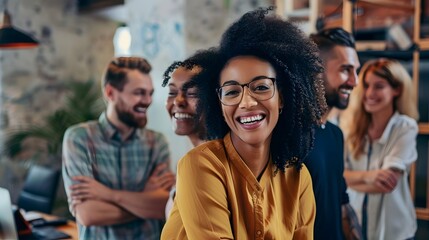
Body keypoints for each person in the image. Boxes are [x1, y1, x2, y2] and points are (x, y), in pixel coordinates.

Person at [161, 8, 327, 239]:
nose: (246, 102)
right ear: (218, 103)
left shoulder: (298, 178)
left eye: (261, 87)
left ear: (282, 98)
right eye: (231, 92)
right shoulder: (200, 165)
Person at [62, 57, 176, 240]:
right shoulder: (79, 138)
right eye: (139, 93)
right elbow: (88, 214)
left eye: (150, 93)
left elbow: (164, 206)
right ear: (110, 93)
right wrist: (144, 202)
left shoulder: (157, 142)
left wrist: (108, 195)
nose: (147, 101)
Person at [341, 58, 419, 240]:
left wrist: (350, 179)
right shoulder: (349, 127)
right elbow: (337, 178)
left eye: (379, 86)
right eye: (366, 85)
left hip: (396, 232)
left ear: (397, 90)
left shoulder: (405, 127)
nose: (369, 93)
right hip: (356, 228)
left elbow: (385, 184)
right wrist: (370, 177)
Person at [308, 28, 362, 240]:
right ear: (315, 71)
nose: (355, 81)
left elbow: (341, 204)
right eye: (345, 70)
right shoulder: (289, 136)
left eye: (355, 70)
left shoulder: (335, 135)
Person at [161, 49, 217, 217]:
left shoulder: (212, 163)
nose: (178, 101)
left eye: (192, 93)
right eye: (172, 92)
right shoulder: (192, 159)